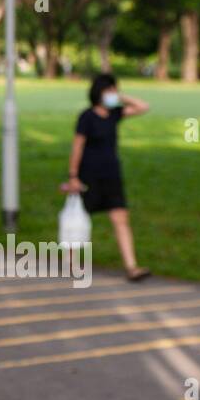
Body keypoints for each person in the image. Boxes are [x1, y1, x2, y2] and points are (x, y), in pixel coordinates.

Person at [65, 73, 151, 282]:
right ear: (98, 92)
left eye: (114, 89)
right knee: (79, 219)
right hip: (89, 176)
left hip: (111, 175)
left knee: (121, 219)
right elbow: (77, 147)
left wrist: (121, 97)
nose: (112, 94)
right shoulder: (86, 117)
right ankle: (71, 261)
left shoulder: (115, 114)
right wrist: (73, 176)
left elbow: (143, 107)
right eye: (109, 90)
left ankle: (131, 267)